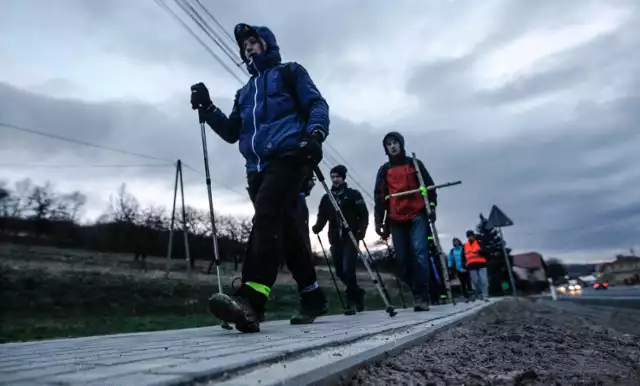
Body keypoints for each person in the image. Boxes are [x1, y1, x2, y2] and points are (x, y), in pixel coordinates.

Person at [190, 23, 330, 333]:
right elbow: (231, 132)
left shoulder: (290, 72)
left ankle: (251, 302)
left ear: (267, 44)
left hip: (290, 157)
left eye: (254, 42)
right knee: (290, 233)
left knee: (266, 216)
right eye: (245, 46)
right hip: (257, 171)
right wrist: (208, 107)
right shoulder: (244, 93)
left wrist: (315, 135)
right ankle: (313, 296)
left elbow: (317, 104)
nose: (249, 48)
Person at [373, 132, 437, 312]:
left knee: (419, 253)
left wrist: (431, 206)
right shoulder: (384, 170)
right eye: (389, 144)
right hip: (396, 217)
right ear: (385, 148)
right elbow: (380, 197)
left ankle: (422, 296)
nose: (392, 146)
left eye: (395, 143)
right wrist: (380, 222)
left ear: (401, 144)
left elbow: (429, 187)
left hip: (417, 214)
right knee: (402, 259)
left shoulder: (414, 164)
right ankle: (415, 288)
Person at [312, 165, 368, 315]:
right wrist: (318, 227)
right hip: (335, 238)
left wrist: (361, 231)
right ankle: (357, 293)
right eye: (333, 177)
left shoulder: (353, 195)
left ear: (343, 177)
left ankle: (351, 302)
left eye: (337, 176)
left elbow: (363, 215)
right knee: (339, 271)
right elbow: (322, 216)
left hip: (351, 236)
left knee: (347, 268)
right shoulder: (327, 197)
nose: (335, 179)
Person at [464, 230, 489, 302]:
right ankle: (480, 293)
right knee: (475, 281)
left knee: (483, 280)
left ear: (473, 236)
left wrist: (480, 251)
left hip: (481, 264)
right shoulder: (465, 246)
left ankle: (485, 296)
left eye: (471, 235)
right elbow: (463, 256)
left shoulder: (480, 242)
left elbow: (487, 252)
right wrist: (464, 264)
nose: (470, 237)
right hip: (471, 266)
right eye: (468, 236)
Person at [448, 237, 472, 302]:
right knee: (462, 283)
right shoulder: (452, 251)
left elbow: (468, 255)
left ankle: (471, 294)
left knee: (468, 281)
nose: (455, 243)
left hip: (465, 267)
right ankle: (466, 297)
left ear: (459, 241)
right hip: (458, 269)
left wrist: (468, 263)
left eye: (456, 241)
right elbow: (450, 259)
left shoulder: (463, 248)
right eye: (454, 242)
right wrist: (449, 267)